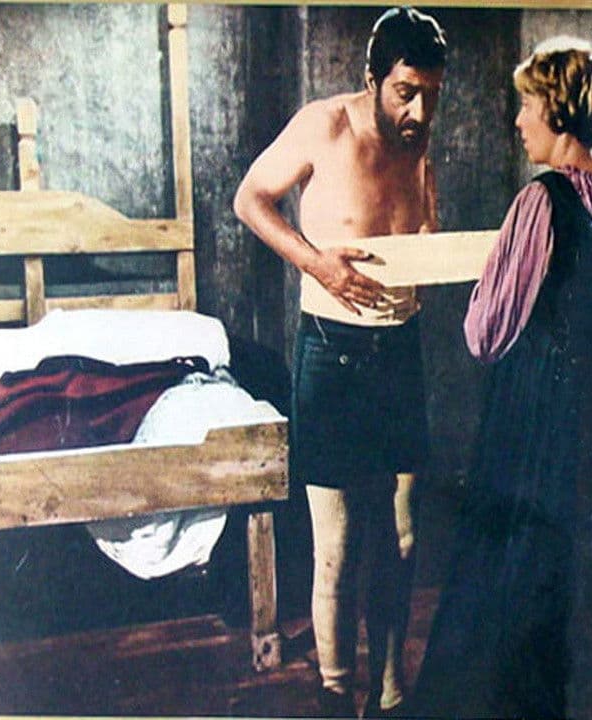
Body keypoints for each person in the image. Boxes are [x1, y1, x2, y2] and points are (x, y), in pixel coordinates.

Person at [407, 36, 592, 719]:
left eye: (526, 106)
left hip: (539, 407)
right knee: (572, 579)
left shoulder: (540, 201)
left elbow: (485, 333)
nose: (518, 121)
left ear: (557, 110)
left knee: (508, 573)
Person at [231, 7, 446, 717]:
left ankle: (390, 694)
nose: (419, 112)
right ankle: (334, 696)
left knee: (403, 537)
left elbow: (424, 226)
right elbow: (249, 200)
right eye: (406, 93)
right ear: (373, 79)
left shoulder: (418, 139)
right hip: (333, 350)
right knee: (339, 547)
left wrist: (433, 249)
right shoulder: (323, 125)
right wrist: (316, 263)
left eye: (431, 95)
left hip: (400, 350)